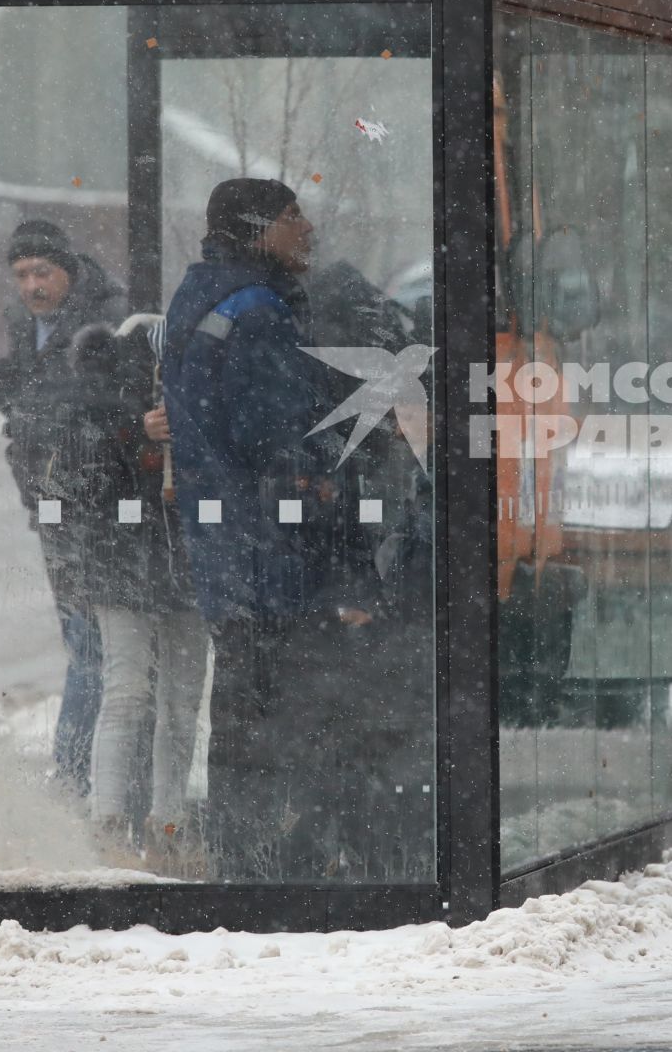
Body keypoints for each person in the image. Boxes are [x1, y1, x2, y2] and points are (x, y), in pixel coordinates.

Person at [163, 178, 429, 880]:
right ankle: (277, 866)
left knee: (246, 708)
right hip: (270, 555)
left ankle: (241, 852)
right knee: (299, 708)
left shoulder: (202, 292)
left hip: (229, 552)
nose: (306, 227)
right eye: (291, 216)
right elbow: (277, 436)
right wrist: (327, 481)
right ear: (258, 229)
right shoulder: (257, 312)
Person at [0, 219, 126, 797]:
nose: (32, 285)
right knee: (87, 645)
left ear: (68, 269)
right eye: (21, 274)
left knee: (96, 651)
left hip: (103, 509)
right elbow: (32, 416)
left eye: (43, 271)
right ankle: (82, 780)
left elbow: (93, 412)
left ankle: (78, 780)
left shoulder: (103, 320)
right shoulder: (26, 325)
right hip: (54, 510)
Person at [69, 316, 207, 871]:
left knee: (179, 702)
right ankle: (108, 826)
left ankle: (166, 826)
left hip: (182, 562)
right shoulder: (105, 393)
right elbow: (86, 470)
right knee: (129, 695)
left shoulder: (200, 380)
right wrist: (134, 430)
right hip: (125, 562)